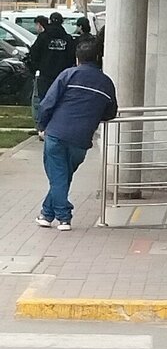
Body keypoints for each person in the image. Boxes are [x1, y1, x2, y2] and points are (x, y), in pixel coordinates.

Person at [36, 36, 118, 231]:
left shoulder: (68, 75)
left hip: (56, 133)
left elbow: (47, 103)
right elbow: (110, 112)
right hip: (81, 140)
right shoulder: (106, 83)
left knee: (58, 176)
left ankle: (64, 217)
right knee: (62, 177)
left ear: (77, 58)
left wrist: (41, 125)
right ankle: (46, 214)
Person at [27, 15, 49, 136]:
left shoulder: (43, 38)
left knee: (37, 100)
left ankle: (39, 126)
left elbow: (34, 54)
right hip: (56, 75)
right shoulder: (62, 38)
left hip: (41, 74)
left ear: (40, 25)